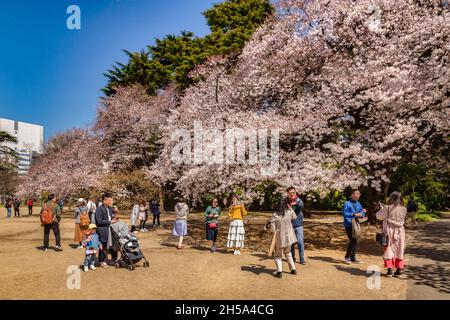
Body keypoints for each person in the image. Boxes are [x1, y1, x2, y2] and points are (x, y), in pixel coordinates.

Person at [376, 192, 407, 278]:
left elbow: (379, 216)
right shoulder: (404, 209)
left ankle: (389, 271)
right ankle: (399, 270)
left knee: (388, 250)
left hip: (389, 231)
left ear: (391, 198)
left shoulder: (387, 208)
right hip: (400, 231)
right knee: (400, 250)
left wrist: (382, 208)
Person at [267, 198, 298, 278]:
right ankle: (293, 269)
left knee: (278, 254)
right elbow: (295, 217)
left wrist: (269, 227)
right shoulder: (289, 212)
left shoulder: (275, 215)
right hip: (289, 237)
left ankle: (279, 271)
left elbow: (272, 229)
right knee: (288, 253)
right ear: (286, 204)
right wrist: (290, 207)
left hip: (280, 237)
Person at [342, 189, 366, 264]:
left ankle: (353, 258)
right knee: (353, 240)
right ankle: (347, 257)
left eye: (359, 193)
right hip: (349, 224)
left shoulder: (358, 203)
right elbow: (344, 213)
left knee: (356, 240)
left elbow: (362, 212)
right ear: (352, 195)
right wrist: (353, 214)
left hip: (356, 224)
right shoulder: (347, 203)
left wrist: (362, 214)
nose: (358, 195)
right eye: (357, 193)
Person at [95, 193, 118, 268]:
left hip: (111, 229)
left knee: (113, 244)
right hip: (102, 230)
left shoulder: (111, 208)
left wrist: (115, 216)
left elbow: (113, 217)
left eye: (111, 200)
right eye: (109, 200)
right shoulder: (99, 209)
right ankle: (102, 261)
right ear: (104, 201)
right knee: (103, 245)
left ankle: (113, 259)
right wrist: (110, 222)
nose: (110, 201)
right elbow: (99, 221)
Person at [284, 188, 306, 265]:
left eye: (293, 192)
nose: (292, 194)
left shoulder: (298, 200)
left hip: (298, 224)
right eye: (290, 193)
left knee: (300, 242)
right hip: (289, 225)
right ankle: (292, 257)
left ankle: (302, 259)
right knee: (291, 243)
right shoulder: (285, 201)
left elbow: (301, 206)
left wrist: (295, 202)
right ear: (287, 193)